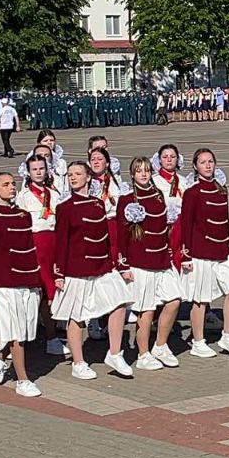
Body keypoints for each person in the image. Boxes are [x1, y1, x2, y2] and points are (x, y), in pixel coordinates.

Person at [50, 161, 134, 380]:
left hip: (102, 266)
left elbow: (106, 238)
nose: (73, 177)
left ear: (88, 177)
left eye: (78, 173)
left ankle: (115, 353)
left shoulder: (98, 203)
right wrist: (58, 273)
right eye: (70, 175)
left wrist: (114, 263)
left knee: (120, 302)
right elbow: (61, 243)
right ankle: (78, 362)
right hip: (76, 268)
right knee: (76, 316)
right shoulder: (64, 207)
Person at [0, 172, 43, 396]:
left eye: (12, 184)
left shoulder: (25, 216)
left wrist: (36, 281)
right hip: (4, 283)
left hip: (27, 280)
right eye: (5, 185)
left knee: (25, 331)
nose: (11, 188)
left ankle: (0, 355)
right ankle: (23, 380)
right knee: (17, 335)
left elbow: (29, 251)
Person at [179, 148, 229, 358]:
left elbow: (225, 222)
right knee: (200, 299)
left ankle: (227, 336)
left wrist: (227, 244)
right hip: (200, 252)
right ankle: (197, 341)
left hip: (221, 250)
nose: (208, 165)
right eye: (203, 162)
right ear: (196, 166)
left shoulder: (221, 190)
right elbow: (186, 225)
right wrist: (186, 255)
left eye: (211, 162)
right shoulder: (192, 193)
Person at [116, 156, 183, 370]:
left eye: (146, 170)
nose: (143, 174)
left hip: (162, 259)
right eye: (138, 171)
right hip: (140, 262)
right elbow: (121, 236)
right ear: (132, 174)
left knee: (174, 300)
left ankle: (160, 345)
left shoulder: (158, 195)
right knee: (146, 310)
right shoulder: (127, 199)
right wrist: (123, 265)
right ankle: (143, 353)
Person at [15, 154, 68, 358]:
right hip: (36, 246)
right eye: (34, 169)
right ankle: (42, 336)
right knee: (39, 293)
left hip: (54, 244)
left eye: (41, 168)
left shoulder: (54, 194)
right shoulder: (24, 197)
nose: (38, 172)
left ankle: (51, 336)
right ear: (28, 172)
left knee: (53, 290)